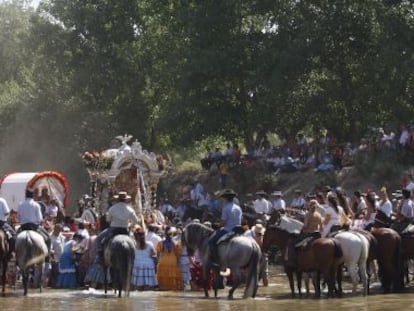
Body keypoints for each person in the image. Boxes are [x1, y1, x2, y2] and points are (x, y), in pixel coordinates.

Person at [96, 191, 140, 263]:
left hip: (113, 230)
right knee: (135, 242)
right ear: (126, 199)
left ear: (117, 199)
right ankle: (137, 255)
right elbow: (136, 221)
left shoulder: (112, 208)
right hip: (125, 230)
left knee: (99, 238)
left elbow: (108, 220)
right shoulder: (130, 209)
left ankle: (100, 256)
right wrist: (129, 224)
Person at [207, 189, 242, 269]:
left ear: (226, 198)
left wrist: (217, 225)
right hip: (238, 229)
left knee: (211, 242)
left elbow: (223, 223)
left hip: (228, 230)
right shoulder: (238, 208)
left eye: (223, 198)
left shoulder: (226, 208)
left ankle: (216, 261)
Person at [18, 188, 51, 258]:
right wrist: (42, 221)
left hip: (23, 227)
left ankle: (14, 256)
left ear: (25, 195)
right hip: (34, 227)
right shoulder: (36, 205)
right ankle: (48, 258)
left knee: (13, 238)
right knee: (48, 238)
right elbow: (39, 219)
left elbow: (19, 218)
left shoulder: (20, 204)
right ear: (32, 195)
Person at [156, 226, 182, 290]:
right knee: (172, 278)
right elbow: (178, 254)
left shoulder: (161, 242)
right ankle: (172, 289)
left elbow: (158, 253)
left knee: (163, 277)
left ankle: (163, 289)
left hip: (163, 261)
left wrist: (157, 261)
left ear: (165, 233)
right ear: (172, 234)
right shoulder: (175, 243)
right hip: (173, 261)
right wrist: (178, 262)